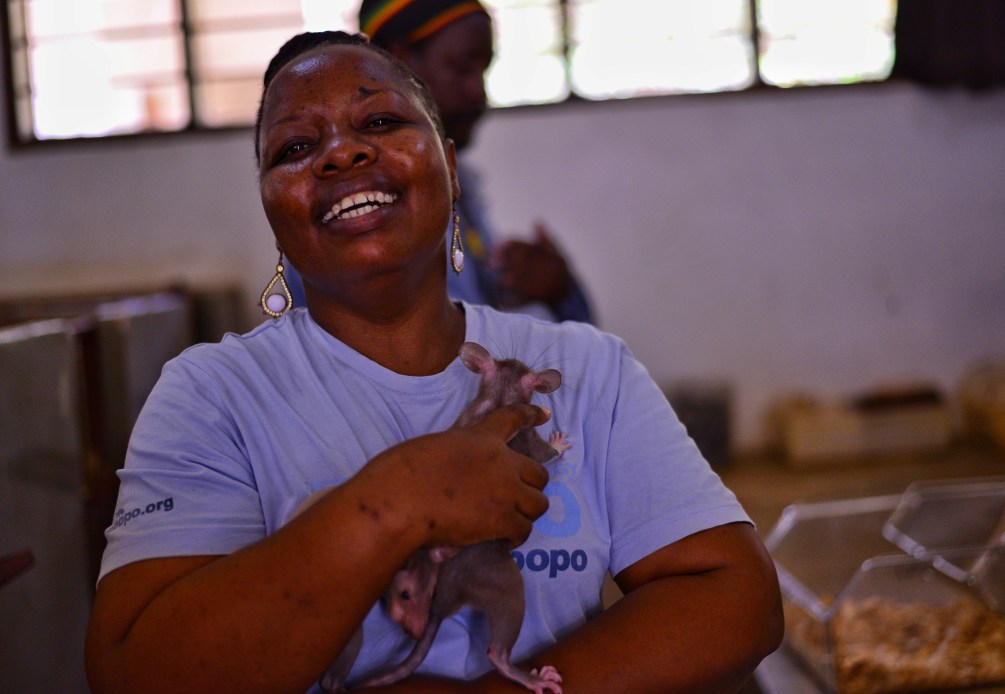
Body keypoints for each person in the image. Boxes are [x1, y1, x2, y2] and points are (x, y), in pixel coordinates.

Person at [85, 32, 782, 694]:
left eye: (381, 122)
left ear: (449, 165)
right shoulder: (211, 397)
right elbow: (134, 671)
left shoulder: (581, 366)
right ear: (272, 211)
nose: (341, 154)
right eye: (295, 147)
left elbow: (736, 598)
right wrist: (399, 499)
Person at [283, 0, 595, 324]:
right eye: (462, 69)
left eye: (483, 71)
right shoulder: (362, 204)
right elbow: (443, 346)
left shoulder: (458, 184)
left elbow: (473, 320)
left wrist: (554, 289)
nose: (479, 93)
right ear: (401, 63)